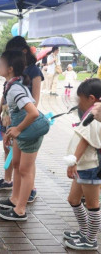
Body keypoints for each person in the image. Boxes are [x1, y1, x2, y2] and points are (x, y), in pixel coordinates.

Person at [0, 36, 43, 203]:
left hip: (25, 121)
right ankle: (13, 194)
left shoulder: (23, 80)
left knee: (25, 166)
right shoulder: (11, 84)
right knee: (15, 160)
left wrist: (19, 127)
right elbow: (5, 97)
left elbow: (34, 106)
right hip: (13, 117)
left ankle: (25, 197)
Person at [63, 79, 101, 250]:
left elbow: (85, 142)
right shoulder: (92, 112)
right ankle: (84, 231)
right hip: (83, 166)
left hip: (90, 166)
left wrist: (73, 162)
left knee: (93, 205)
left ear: (92, 98)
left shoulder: (95, 115)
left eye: (80, 99)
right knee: (73, 199)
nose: (78, 103)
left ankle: (91, 240)